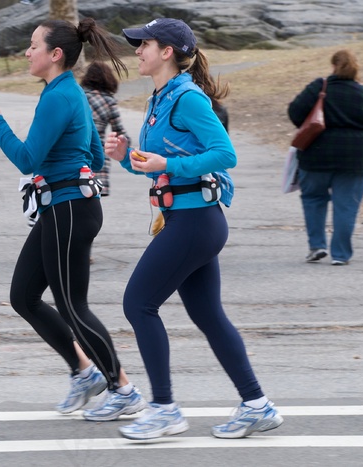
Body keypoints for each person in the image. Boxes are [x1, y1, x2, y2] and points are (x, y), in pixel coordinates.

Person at [104, 17, 283, 440]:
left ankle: (164, 408)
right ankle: (257, 405)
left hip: (196, 221)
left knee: (138, 304)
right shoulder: (159, 98)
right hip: (186, 218)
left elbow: (225, 154)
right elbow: (157, 164)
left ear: (166, 51)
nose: (137, 51)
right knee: (207, 314)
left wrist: (168, 164)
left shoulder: (187, 97)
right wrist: (127, 156)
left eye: (143, 44)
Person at [0, 17, 146, 421]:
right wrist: (69, 171)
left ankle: (123, 389)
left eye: (33, 45)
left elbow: (28, 158)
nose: (27, 52)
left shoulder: (59, 96)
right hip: (68, 207)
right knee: (23, 296)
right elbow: (95, 155)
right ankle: (85, 373)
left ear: (55, 54)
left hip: (69, 209)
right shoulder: (68, 92)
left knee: (72, 306)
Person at [288, 49, 363, 265]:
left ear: (333, 65)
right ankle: (341, 255)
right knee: (346, 205)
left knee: (313, 199)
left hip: (316, 154)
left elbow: (294, 112)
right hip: (354, 159)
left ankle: (317, 246)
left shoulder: (319, 87)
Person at [80, 61, 131, 196]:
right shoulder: (109, 101)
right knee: (94, 197)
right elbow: (119, 131)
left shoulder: (79, 97)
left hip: (76, 152)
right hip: (98, 153)